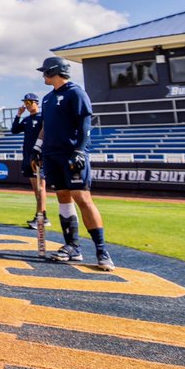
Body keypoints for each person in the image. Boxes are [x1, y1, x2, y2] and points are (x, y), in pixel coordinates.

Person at [34, 55, 114, 270]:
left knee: (83, 198)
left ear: (53, 71)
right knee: (63, 196)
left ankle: (102, 250)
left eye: (45, 71)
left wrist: (79, 150)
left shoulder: (75, 93)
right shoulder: (48, 98)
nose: (43, 75)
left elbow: (86, 124)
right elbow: (45, 127)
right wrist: (37, 148)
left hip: (71, 154)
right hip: (52, 155)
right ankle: (72, 247)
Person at [11, 93, 50, 230]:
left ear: (36, 103)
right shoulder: (27, 119)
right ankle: (40, 215)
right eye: (25, 103)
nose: (27, 105)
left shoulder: (43, 117)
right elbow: (14, 130)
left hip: (38, 156)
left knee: (40, 187)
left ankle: (42, 216)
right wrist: (18, 115)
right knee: (35, 188)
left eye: (30, 102)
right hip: (27, 156)